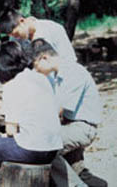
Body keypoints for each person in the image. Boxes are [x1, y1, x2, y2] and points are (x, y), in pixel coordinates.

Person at [0, 41, 63, 187]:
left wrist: (6, 132)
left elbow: (10, 130)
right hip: (53, 148)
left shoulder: (12, 85)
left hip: (32, 149)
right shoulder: (40, 78)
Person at [31, 38, 107, 187]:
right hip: (68, 125)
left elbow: (56, 110)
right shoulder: (57, 75)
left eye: (35, 66)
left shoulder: (72, 72)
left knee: (43, 145)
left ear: (44, 58)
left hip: (82, 127)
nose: (36, 71)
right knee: (76, 170)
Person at [0, 8, 77, 62]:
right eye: (12, 35)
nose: (15, 37)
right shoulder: (15, 39)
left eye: (16, 34)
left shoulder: (53, 29)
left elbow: (70, 59)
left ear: (22, 21)